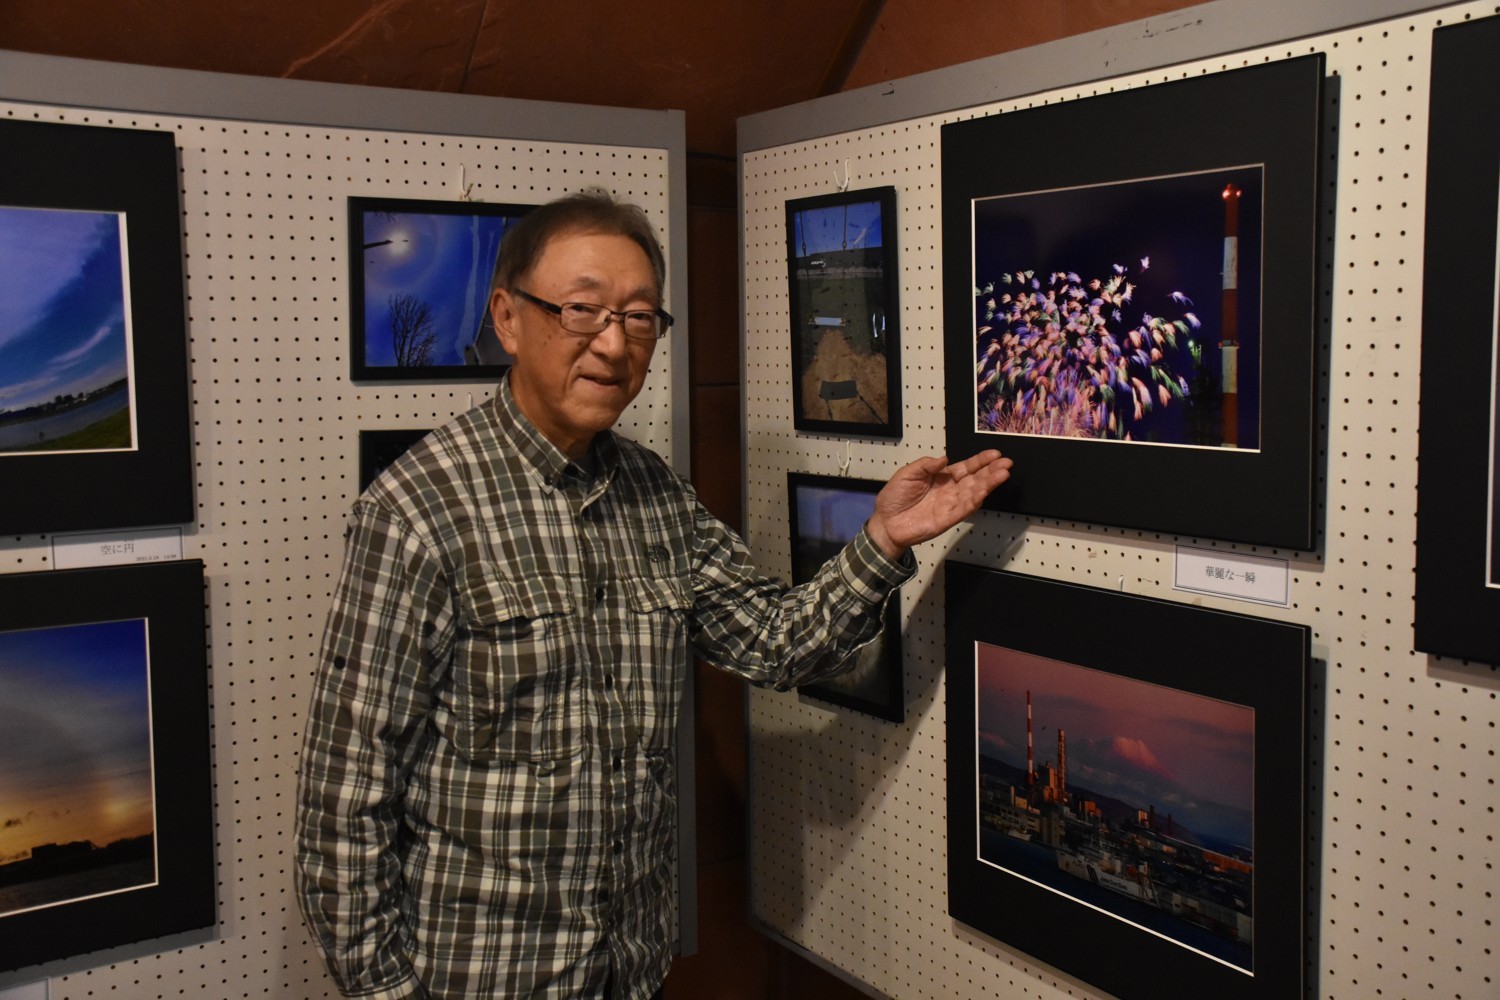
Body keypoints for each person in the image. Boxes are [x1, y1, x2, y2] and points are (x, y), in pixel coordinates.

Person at [295, 188, 1013, 1000]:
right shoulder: (418, 511)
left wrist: (884, 539)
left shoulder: (655, 495)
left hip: (630, 972)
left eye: (640, 318)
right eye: (582, 311)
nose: (614, 345)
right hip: (482, 978)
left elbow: (775, 642)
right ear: (507, 318)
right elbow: (345, 798)